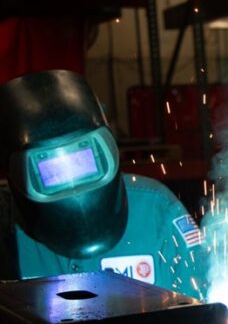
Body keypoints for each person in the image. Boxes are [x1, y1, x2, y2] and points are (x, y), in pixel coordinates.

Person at [0, 70, 206, 299]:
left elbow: (206, 297)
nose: (72, 181)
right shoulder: (6, 227)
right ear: (16, 172)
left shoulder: (155, 208)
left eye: (81, 160)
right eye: (52, 171)